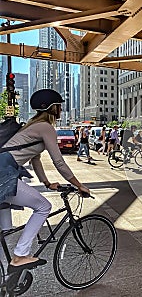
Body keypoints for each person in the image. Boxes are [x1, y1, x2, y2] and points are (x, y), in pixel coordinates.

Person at [0, 89, 90, 273]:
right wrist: (78, 185)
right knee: (43, 207)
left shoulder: (33, 126)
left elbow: (36, 159)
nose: (61, 109)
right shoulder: (45, 128)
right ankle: (20, 256)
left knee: (5, 231)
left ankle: (7, 280)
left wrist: (47, 183)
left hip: (5, 172)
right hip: (3, 174)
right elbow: (59, 162)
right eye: (59, 106)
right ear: (51, 107)